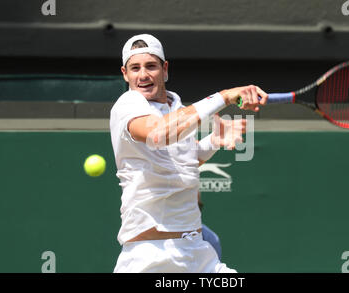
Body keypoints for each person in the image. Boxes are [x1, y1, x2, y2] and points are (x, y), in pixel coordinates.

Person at [110, 34, 268, 273]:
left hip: (198, 253)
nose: (143, 75)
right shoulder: (128, 104)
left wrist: (213, 141)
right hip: (150, 256)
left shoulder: (178, 109)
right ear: (125, 74)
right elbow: (157, 134)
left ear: (165, 69)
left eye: (151, 66)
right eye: (135, 68)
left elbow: (183, 160)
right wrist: (223, 96)